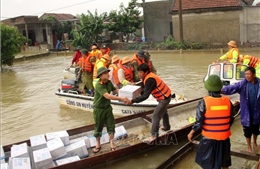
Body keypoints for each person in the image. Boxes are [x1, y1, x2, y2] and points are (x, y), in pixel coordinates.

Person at [187, 75, 234, 169]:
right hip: (224, 138)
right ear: (220, 88)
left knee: (209, 164)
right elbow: (231, 119)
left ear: (208, 88)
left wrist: (191, 133)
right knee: (224, 163)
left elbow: (199, 122)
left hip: (209, 139)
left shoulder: (204, 102)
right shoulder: (228, 101)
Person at [126, 63, 171, 142]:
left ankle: (154, 135)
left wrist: (133, 101)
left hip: (164, 98)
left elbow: (145, 96)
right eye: (138, 72)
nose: (139, 74)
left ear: (146, 72)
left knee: (155, 115)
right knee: (164, 112)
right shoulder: (148, 76)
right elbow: (146, 90)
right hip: (165, 96)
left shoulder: (150, 79)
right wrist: (140, 93)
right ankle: (166, 127)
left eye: (141, 72)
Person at [221, 66, 260, 153]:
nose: (247, 76)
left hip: (257, 112)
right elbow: (232, 88)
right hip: (247, 112)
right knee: (247, 131)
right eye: (245, 74)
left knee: (256, 129)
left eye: (249, 74)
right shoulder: (243, 84)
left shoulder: (259, 83)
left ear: (254, 74)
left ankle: (255, 143)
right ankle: (249, 146)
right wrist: (221, 90)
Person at [92, 67, 129, 153]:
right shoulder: (98, 85)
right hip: (99, 109)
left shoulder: (108, 83)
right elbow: (107, 96)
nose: (108, 74)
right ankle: (98, 144)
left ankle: (112, 143)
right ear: (101, 76)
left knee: (111, 125)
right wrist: (121, 98)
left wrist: (126, 92)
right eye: (105, 73)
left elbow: (115, 90)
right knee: (98, 127)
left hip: (107, 107)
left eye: (107, 72)